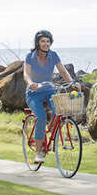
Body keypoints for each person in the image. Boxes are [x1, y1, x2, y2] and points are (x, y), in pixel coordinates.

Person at [23, 29, 75, 163]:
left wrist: (72, 83)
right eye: (42, 41)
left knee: (60, 110)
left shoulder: (53, 55)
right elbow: (26, 74)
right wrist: (31, 83)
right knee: (40, 117)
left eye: (48, 41)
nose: (45, 44)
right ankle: (38, 153)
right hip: (33, 93)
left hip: (49, 90)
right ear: (38, 43)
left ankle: (51, 133)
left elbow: (63, 71)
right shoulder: (30, 56)